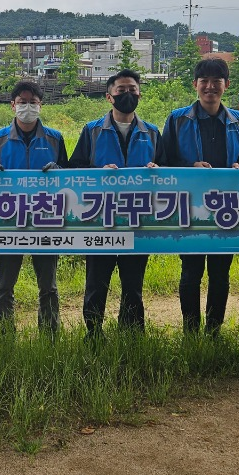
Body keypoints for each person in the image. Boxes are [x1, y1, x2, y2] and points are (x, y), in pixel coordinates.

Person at [69, 69, 165, 338]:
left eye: (132, 89)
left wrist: (156, 169)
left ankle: (131, 334)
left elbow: (168, 174)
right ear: (109, 97)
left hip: (138, 221)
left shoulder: (153, 132)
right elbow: (75, 169)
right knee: (96, 283)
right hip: (101, 221)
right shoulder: (92, 131)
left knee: (133, 284)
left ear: (140, 93)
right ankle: (93, 333)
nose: (128, 94)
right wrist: (98, 174)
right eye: (121, 90)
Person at [161, 58, 239, 334]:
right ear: (195, 84)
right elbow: (164, 162)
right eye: (205, 81)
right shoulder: (177, 119)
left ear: (226, 85)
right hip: (191, 209)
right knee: (191, 272)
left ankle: (213, 331)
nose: (210, 87)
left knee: (220, 274)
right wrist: (190, 167)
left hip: (227, 209)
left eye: (217, 81)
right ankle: (190, 330)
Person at [0, 79, 69, 333]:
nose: (27, 107)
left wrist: (59, 170)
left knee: (49, 286)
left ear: (41, 105)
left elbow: (71, 176)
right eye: (22, 102)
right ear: (12, 106)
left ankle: (49, 337)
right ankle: (4, 337)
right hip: (9, 222)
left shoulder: (55, 138)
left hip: (45, 221)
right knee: (4, 286)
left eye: (32, 102)